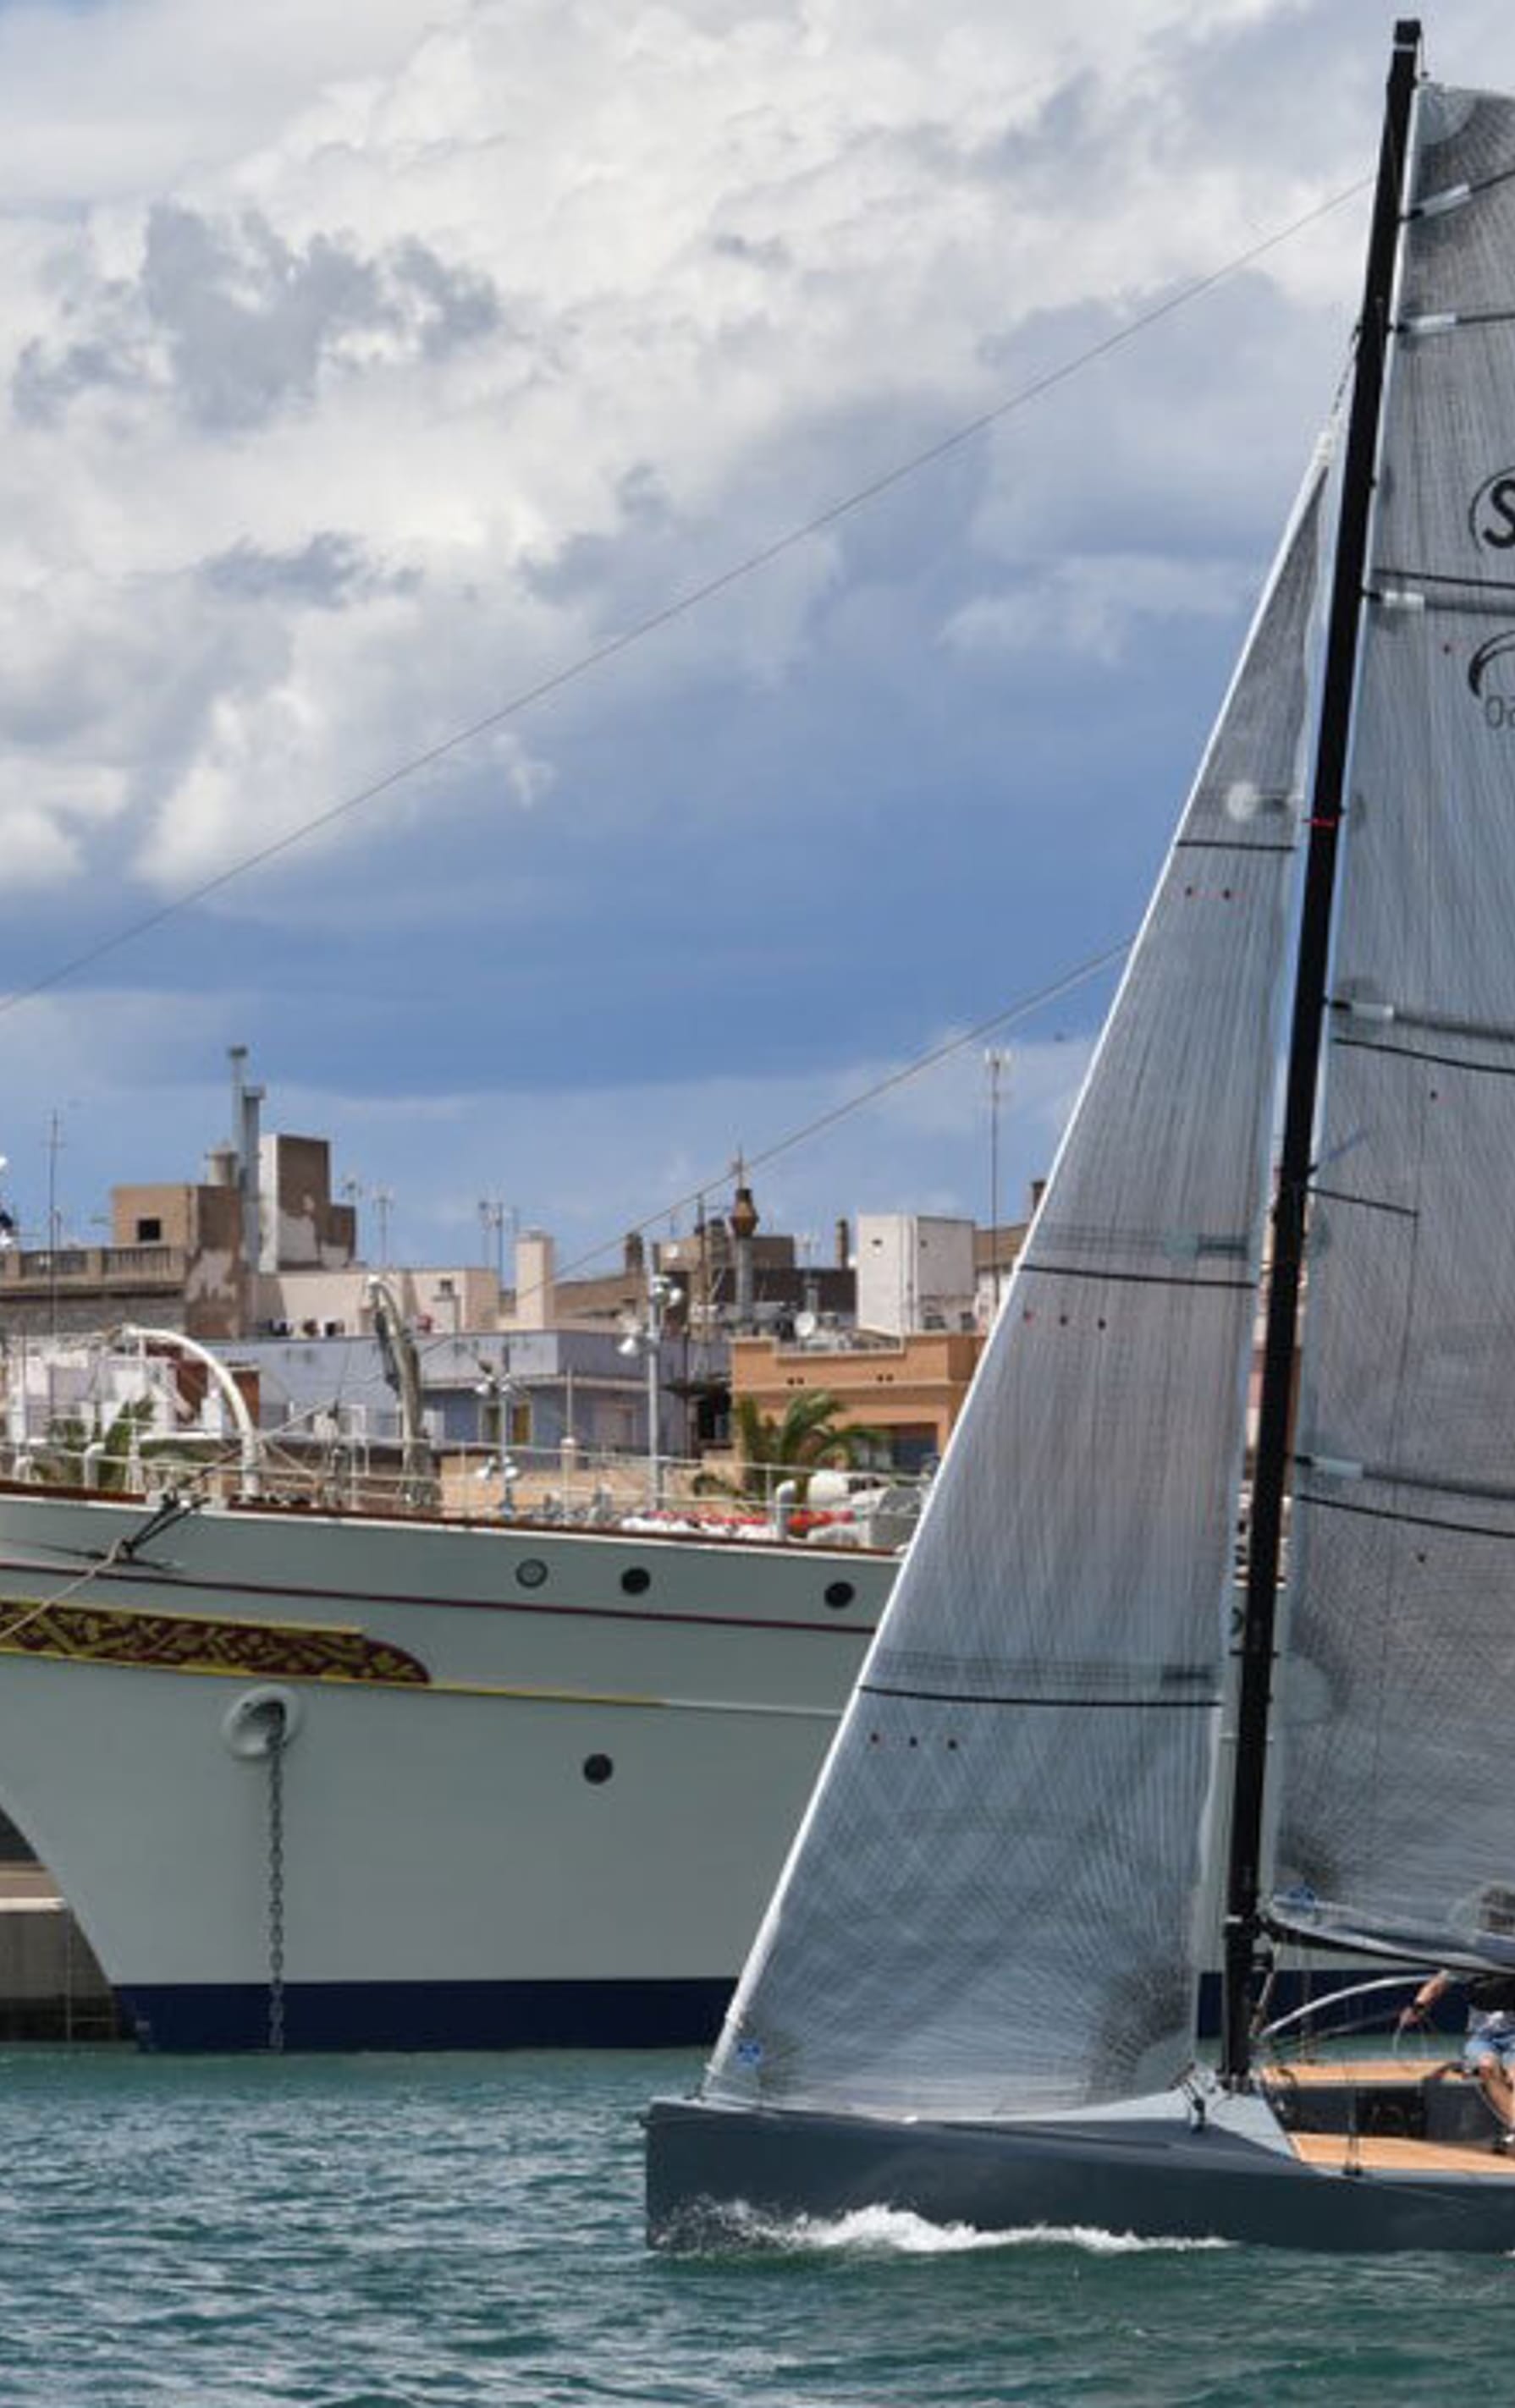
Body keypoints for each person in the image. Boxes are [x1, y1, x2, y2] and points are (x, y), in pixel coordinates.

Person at [1400, 1932, 1515, 2147]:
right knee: (1487, 2065)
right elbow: (1436, 1985)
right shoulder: (1471, 1959)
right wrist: (1418, 2007)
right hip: (1482, 2037)